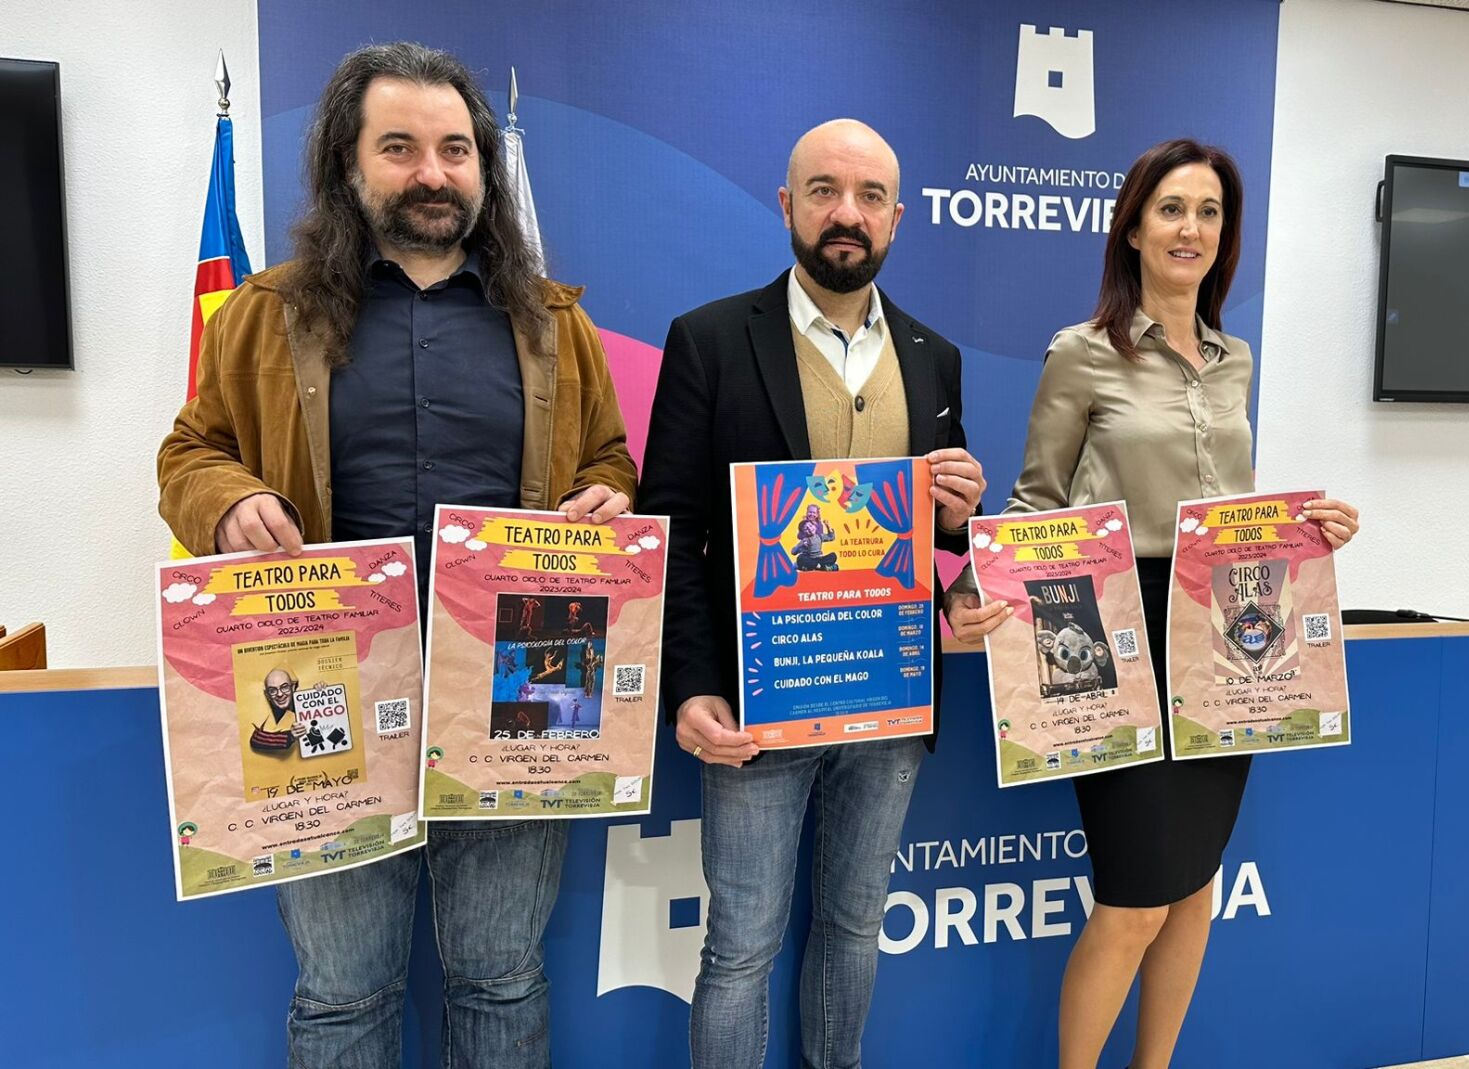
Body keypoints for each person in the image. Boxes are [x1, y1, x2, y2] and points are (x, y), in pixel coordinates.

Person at [155, 41, 636, 1069]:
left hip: (522, 683)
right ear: (348, 162)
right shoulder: (267, 314)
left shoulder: (555, 324)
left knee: (502, 977)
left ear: (483, 168)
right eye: (401, 147)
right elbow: (189, 454)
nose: (433, 172)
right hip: (321, 681)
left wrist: (610, 494)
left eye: (456, 150)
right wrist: (230, 501)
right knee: (342, 992)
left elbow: (608, 456)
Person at [946, 138, 1361, 1069]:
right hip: (1111, 626)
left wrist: (1312, 531)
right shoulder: (1081, 354)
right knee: (1133, 900)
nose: (1191, 228)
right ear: (1132, 228)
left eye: (1209, 212)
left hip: (1227, 632)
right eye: (1172, 209)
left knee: (1194, 889)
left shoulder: (1233, 358)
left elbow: (1228, 508)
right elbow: (1037, 500)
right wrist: (971, 588)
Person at [638, 118, 986, 1069]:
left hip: (890, 698)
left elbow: (937, 535)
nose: (848, 213)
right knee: (740, 945)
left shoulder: (935, 356)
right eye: (825, 191)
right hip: (759, 701)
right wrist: (690, 684)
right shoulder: (710, 339)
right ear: (788, 205)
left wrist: (961, 522)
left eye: (871, 196)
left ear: (897, 219)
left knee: (854, 925)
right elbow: (671, 529)